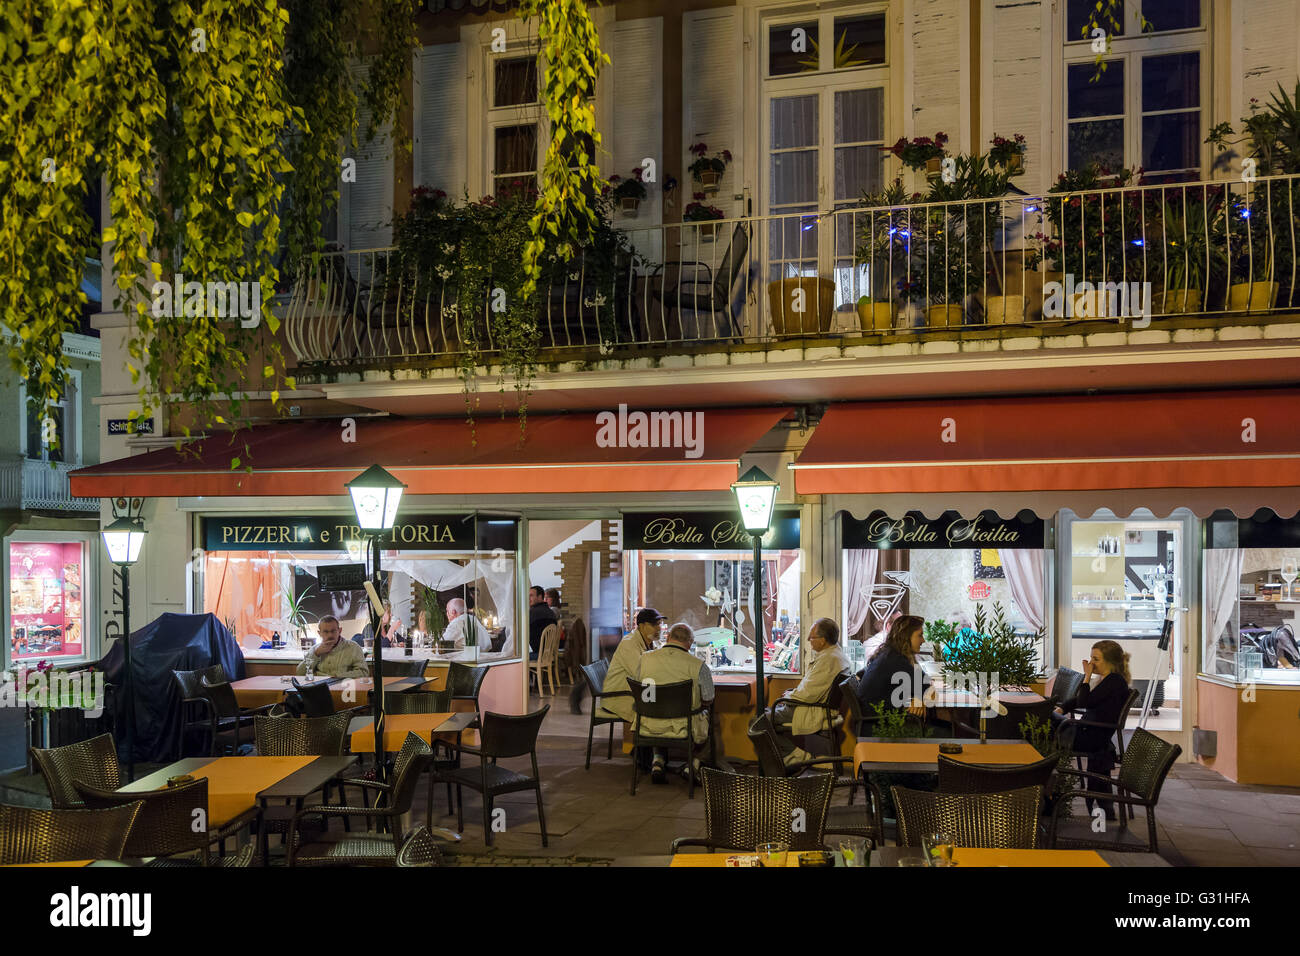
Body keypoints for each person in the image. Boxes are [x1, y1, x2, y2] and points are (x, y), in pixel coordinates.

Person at [637, 622, 729, 782]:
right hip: (684, 727)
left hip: (648, 724)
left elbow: (644, 692)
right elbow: (708, 699)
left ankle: (658, 760)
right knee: (710, 719)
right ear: (690, 643)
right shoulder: (698, 666)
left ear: (668, 637)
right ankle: (693, 763)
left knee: (658, 709)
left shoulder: (645, 659)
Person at [1051, 640, 1131, 820]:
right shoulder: (1107, 680)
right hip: (1088, 731)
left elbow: (1084, 701)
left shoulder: (1114, 682)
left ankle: (1048, 794)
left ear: (1109, 661)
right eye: (1091, 657)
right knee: (1045, 719)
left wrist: (1086, 677)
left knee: (1041, 724)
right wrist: (1061, 709)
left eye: (1096, 659)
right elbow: (1082, 699)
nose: (1091, 662)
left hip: (1091, 737)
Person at [768, 619, 851, 765]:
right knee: (767, 716)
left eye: (812, 637)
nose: (808, 640)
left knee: (760, 721)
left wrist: (788, 695)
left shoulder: (828, 660)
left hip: (810, 709)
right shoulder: (835, 655)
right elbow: (813, 688)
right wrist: (792, 693)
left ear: (823, 640)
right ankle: (789, 758)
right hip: (811, 705)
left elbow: (808, 695)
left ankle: (797, 758)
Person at [599, 608, 664, 768]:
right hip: (618, 695)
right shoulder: (630, 644)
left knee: (656, 704)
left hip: (636, 691)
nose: (658, 628)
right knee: (654, 709)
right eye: (654, 624)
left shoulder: (648, 643)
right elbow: (641, 674)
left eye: (660, 624)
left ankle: (649, 754)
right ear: (641, 626)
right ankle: (648, 757)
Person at [856, 615, 930, 722]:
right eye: (920, 635)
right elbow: (928, 688)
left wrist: (919, 697)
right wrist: (919, 697)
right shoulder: (896, 660)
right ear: (906, 636)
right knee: (948, 729)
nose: (923, 640)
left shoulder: (890, 653)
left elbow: (924, 683)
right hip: (881, 725)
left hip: (875, 720)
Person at [298, 616, 368, 679]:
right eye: (326, 632)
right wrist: (316, 654)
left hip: (345, 687)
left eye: (333, 631)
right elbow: (300, 673)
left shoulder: (353, 647)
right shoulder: (315, 649)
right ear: (319, 633)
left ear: (339, 631)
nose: (330, 635)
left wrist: (338, 676)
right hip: (320, 687)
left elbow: (363, 672)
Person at [528, 585, 557, 661]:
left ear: (540, 597)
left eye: (531, 596)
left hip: (538, 654)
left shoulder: (532, 612)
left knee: (515, 658)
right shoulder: (551, 612)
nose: (528, 598)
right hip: (549, 653)